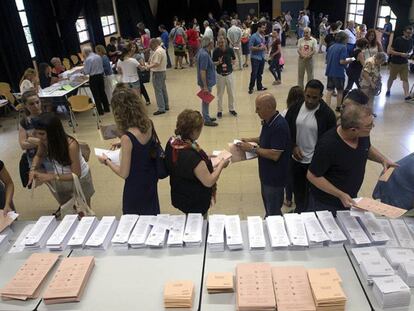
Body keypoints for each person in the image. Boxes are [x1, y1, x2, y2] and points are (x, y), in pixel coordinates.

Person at [307, 103, 397, 214]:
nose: (372, 126)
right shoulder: (328, 145)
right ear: (353, 130)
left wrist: (383, 159)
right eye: (369, 125)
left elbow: (366, 148)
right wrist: (340, 194)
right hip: (326, 203)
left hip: (349, 198)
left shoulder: (362, 134)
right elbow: (312, 176)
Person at [98, 88, 160, 215]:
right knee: (150, 212)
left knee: (134, 218)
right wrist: (122, 143)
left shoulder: (127, 138)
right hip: (150, 178)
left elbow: (124, 173)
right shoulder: (148, 124)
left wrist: (107, 161)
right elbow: (144, 144)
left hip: (135, 184)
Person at [285, 80, 336, 213]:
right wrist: (293, 146)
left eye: (314, 97)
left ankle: (310, 214)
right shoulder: (295, 108)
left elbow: (331, 141)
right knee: (298, 190)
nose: (310, 100)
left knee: (313, 193)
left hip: (315, 163)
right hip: (297, 160)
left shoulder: (327, 115)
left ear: (321, 96)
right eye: (307, 96)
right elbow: (287, 131)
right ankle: (300, 211)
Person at [165, 109, 229, 215]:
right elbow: (209, 181)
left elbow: (182, 162)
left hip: (179, 192)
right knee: (198, 225)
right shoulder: (192, 157)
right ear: (194, 131)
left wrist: (207, 157)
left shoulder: (173, 142)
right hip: (195, 200)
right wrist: (221, 165)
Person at [237, 93, 291, 216]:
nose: (256, 111)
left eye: (258, 108)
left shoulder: (279, 126)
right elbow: (265, 139)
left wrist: (252, 148)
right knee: (268, 207)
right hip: (266, 175)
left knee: (273, 212)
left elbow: (274, 154)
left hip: (274, 179)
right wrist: (251, 139)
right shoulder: (268, 121)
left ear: (269, 107)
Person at [28, 113, 95, 207]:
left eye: (42, 134)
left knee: (83, 208)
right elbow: (39, 156)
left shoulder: (71, 145)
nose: (38, 137)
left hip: (79, 179)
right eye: (37, 133)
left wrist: (50, 176)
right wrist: (33, 169)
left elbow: (76, 174)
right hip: (60, 178)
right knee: (68, 207)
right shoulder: (44, 141)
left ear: (53, 133)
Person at [282, 86, 305, 208]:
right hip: (304, 148)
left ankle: (288, 198)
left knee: (289, 174)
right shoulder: (306, 114)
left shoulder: (285, 113)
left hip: (290, 149)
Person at [325, 31, 353, 111]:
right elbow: (342, 61)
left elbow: (327, 60)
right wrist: (351, 60)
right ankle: (338, 107)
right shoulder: (343, 47)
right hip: (338, 72)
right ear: (344, 39)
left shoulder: (331, 46)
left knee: (329, 90)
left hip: (330, 71)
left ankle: (327, 107)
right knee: (340, 91)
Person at [386, 26, 413, 101]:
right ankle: (388, 90)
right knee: (391, 78)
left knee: (405, 79)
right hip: (395, 62)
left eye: (411, 33)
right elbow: (390, 51)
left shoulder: (411, 40)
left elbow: (411, 50)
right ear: (404, 32)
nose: (410, 35)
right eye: (408, 33)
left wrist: (409, 53)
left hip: (404, 63)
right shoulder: (398, 39)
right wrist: (401, 54)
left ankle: (406, 95)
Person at [212, 36, 238, 119]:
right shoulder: (215, 51)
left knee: (231, 93)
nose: (221, 44)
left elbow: (234, 59)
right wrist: (218, 62)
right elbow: (213, 62)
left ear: (225, 42)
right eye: (219, 42)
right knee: (220, 94)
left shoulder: (230, 50)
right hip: (220, 75)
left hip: (229, 74)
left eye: (222, 42)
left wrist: (233, 62)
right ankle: (219, 110)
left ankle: (231, 109)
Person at [196, 36, 218, 127]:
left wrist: (216, 63)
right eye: (212, 42)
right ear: (209, 44)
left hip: (207, 81)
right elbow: (203, 70)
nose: (213, 44)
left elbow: (208, 65)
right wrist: (205, 86)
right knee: (206, 101)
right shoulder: (204, 54)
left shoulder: (203, 52)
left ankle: (206, 116)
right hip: (206, 82)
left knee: (206, 100)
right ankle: (206, 119)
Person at [82, 46, 110, 115]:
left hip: (94, 78)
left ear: (85, 52)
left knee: (96, 95)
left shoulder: (88, 59)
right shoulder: (98, 56)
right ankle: (107, 108)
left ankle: (100, 111)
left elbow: (86, 72)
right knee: (102, 93)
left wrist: (82, 71)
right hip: (100, 76)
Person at [147, 38, 169, 116]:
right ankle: (166, 105)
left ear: (154, 44)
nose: (150, 47)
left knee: (158, 91)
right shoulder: (162, 50)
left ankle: (161, 108)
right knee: (163, 89)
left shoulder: (157, 52)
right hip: (163, 72)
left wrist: (148, 67)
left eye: (150, 45)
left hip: (157, 73)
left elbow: (156, 63)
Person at [248, 22, 267, 94]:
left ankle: (259, 86)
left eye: (264, 28)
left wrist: (265, 48)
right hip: (255, 58)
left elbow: (263, 44)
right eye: (263, 27)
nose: (264, 29)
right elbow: (250, 47)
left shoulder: (263, 36)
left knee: (260, 73)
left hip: (262, 57)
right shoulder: (253, 36)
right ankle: (251, 88)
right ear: (258, 28)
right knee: (254, 73)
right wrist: (259, 48)